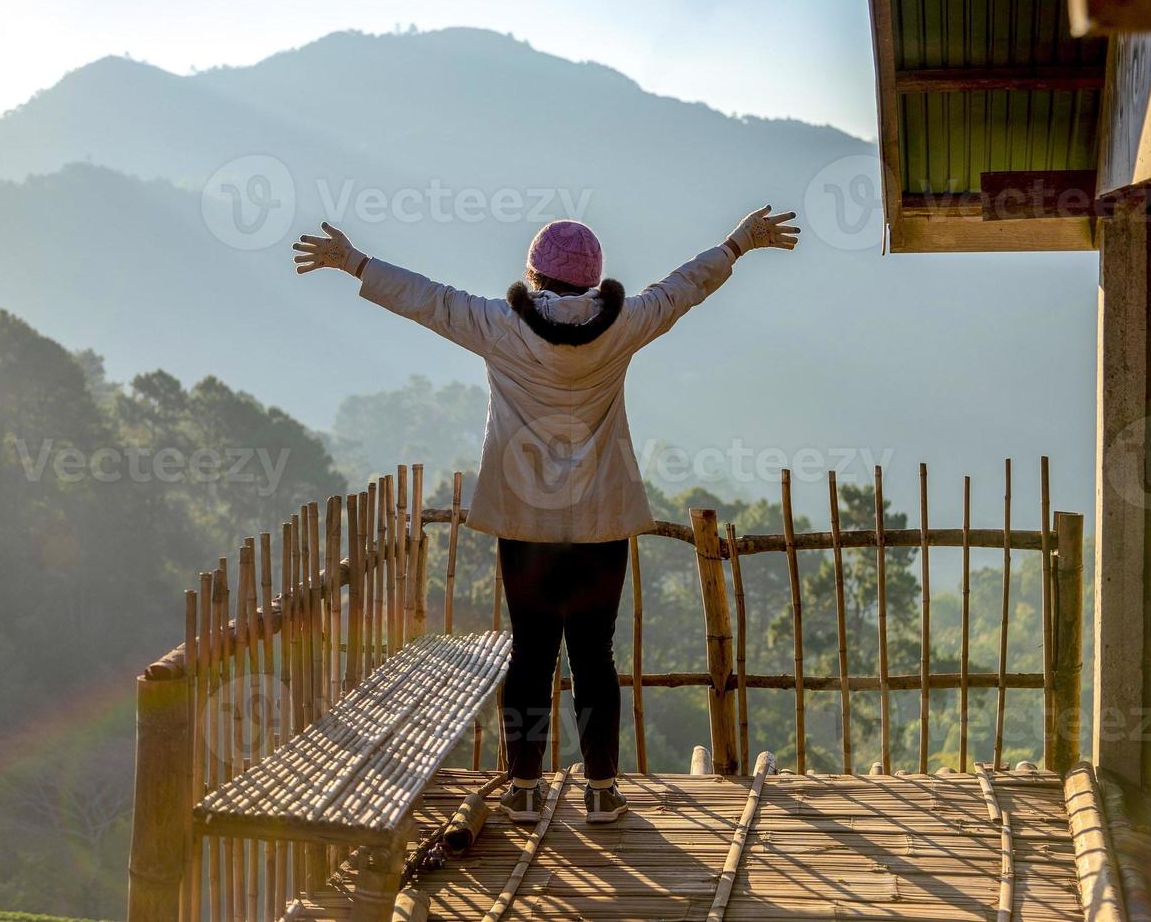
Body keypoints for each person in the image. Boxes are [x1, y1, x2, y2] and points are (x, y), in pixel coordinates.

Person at [292, 207, 798, 824]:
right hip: (600, 523)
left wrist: (355, 262)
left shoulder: (499, 326)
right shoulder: (625, 325)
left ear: (533, 276)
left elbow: (427, 300)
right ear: (595, 279)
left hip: (526, 523)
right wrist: (739, 242)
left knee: (530, 655)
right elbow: (682, 289)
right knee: (595, 657)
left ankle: (525, 790)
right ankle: (604, 790)